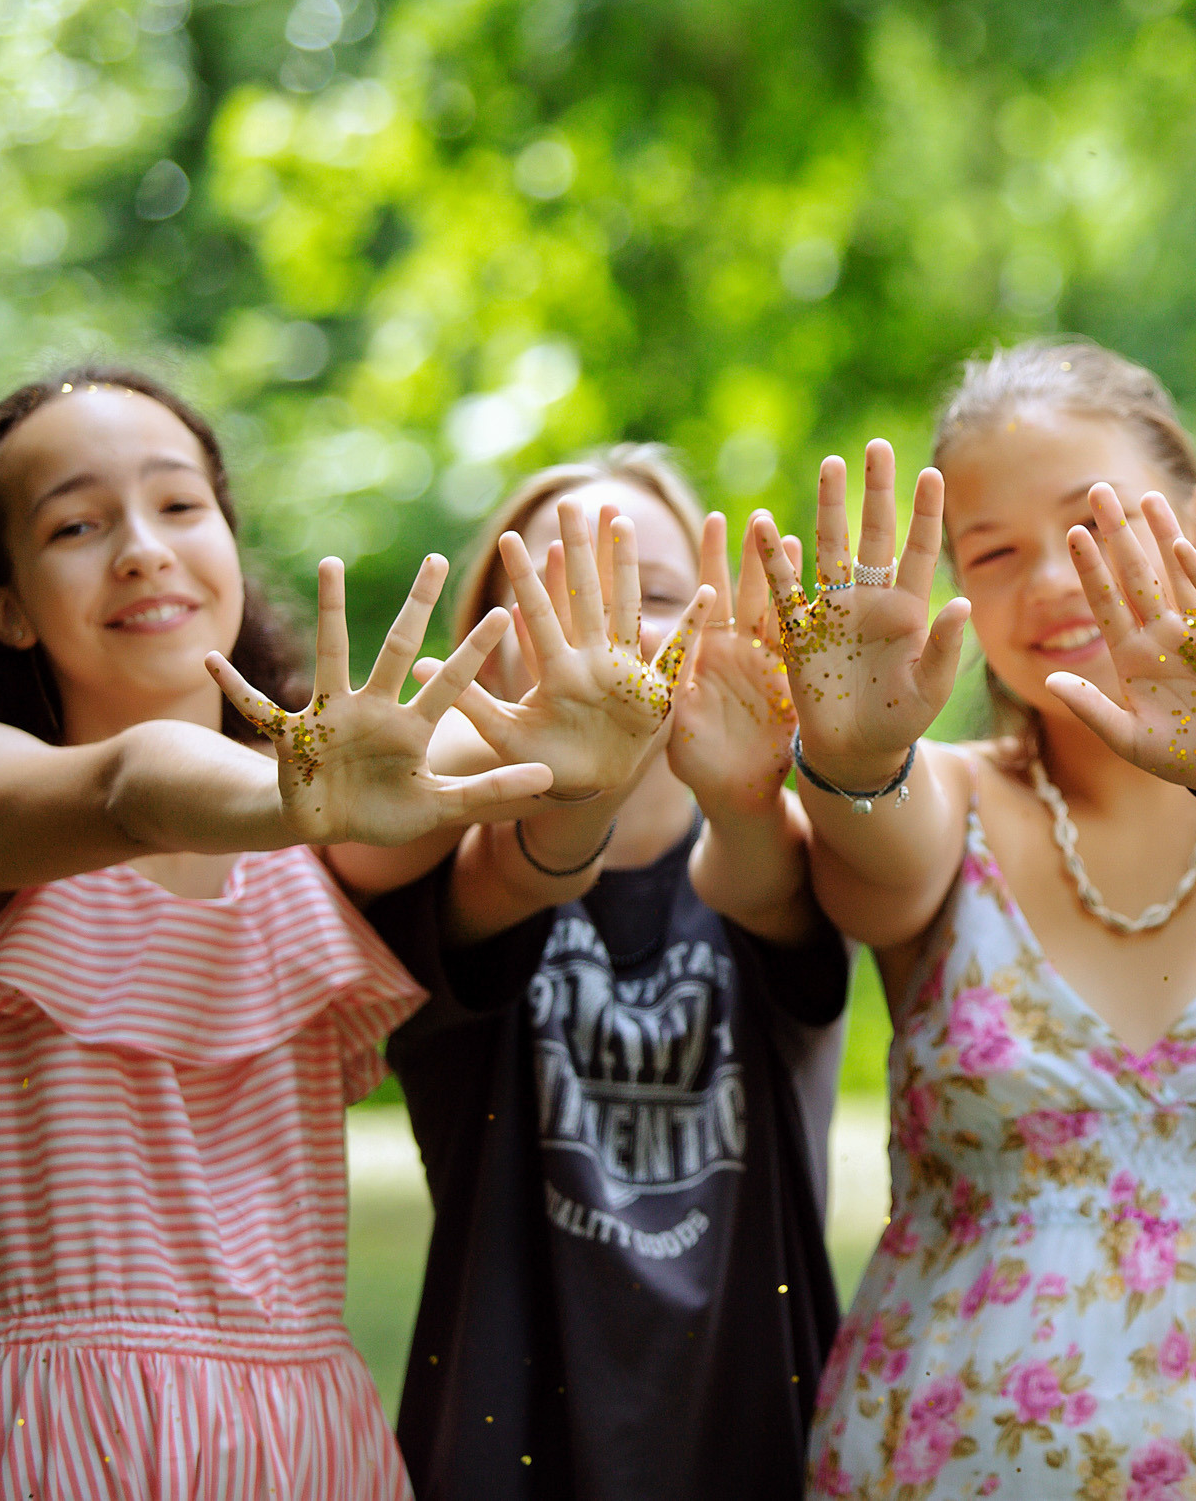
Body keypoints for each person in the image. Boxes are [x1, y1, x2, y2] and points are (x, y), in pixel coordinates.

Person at [783, 340, 1196, 1498]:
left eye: (1091, 525)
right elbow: (872, 853)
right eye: (992, 553)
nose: (1049, 579)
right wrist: (848, 752)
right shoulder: (944, 797)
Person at [0, 368, 546, 1497]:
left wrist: (585, 739)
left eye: (179, 505)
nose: (142, 548)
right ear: (5, 603)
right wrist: (294, 792)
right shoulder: (8, 790)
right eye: (77, 523)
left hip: (308, 1447)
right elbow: (131, 789)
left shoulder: (328, 847)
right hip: (54, 1443)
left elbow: (505, 778)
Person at [362, 447, 854, 1500]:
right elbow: (521, 873)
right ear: (482, 666)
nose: (614, 629)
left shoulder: (788, 851)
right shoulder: (444, 877)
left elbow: (771, 892)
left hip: (763, 1439)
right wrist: (574, 781)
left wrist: (742, 792)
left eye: (656, 593)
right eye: (560, 597)